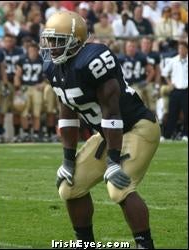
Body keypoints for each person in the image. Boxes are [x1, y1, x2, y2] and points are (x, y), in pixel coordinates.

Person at [40, 11, 160, 249]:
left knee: (118, 187)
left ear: (76, 41)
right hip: (106, 133)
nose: (52, 47)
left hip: (137, 128)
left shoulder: (93, 61)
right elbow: (67, 112)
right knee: (69, 187)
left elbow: (112, 113)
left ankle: (145, 245)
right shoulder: (54, 68)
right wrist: (68, 161)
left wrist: (114, 161)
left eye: (58, 41)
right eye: (49, 40)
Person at [162, 41, 188, 141]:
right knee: (172, 113)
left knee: (187, 113)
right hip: (175, 90)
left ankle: (185, 134)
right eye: (179, 49)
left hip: (186, 90)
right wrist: (169, 83)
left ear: (186, 50)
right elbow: (164, 73)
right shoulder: (173, 60)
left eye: (183, 48)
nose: (181, 51)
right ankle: (168, 135)